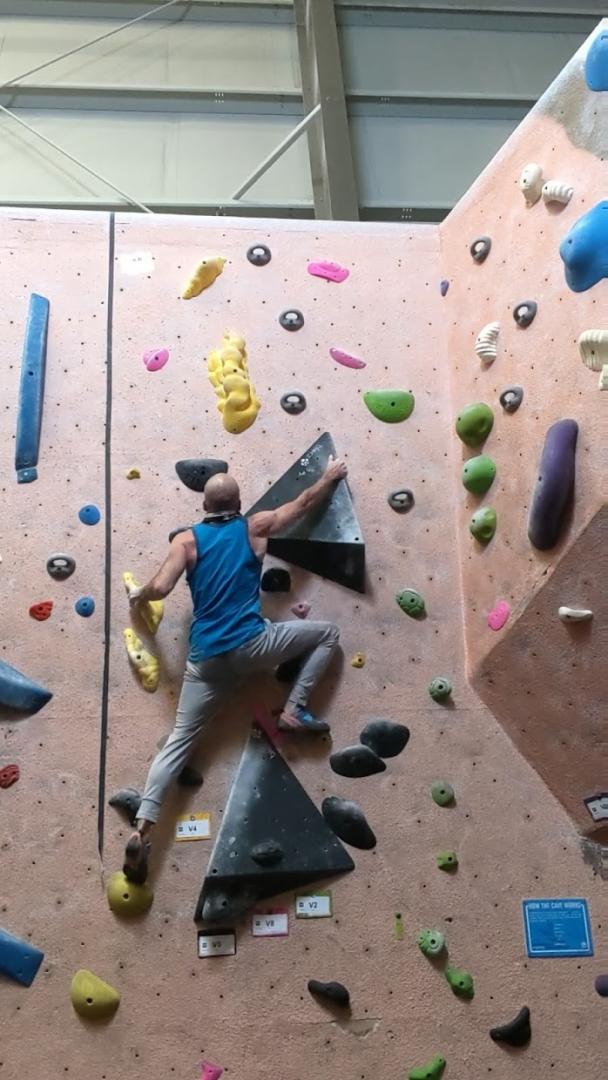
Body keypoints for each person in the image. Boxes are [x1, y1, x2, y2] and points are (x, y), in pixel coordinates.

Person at [118, 455, 348, 884]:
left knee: (178, 743)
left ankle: (143, 828)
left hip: (205, 661)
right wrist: (329, 476)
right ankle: (294, 709)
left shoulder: (186, 541)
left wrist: (139, 595)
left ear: (205, 506)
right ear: (239, 503)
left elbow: (161, 587)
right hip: (252, 645)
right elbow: (302, 504)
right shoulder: (255, 526)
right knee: (328, 633)